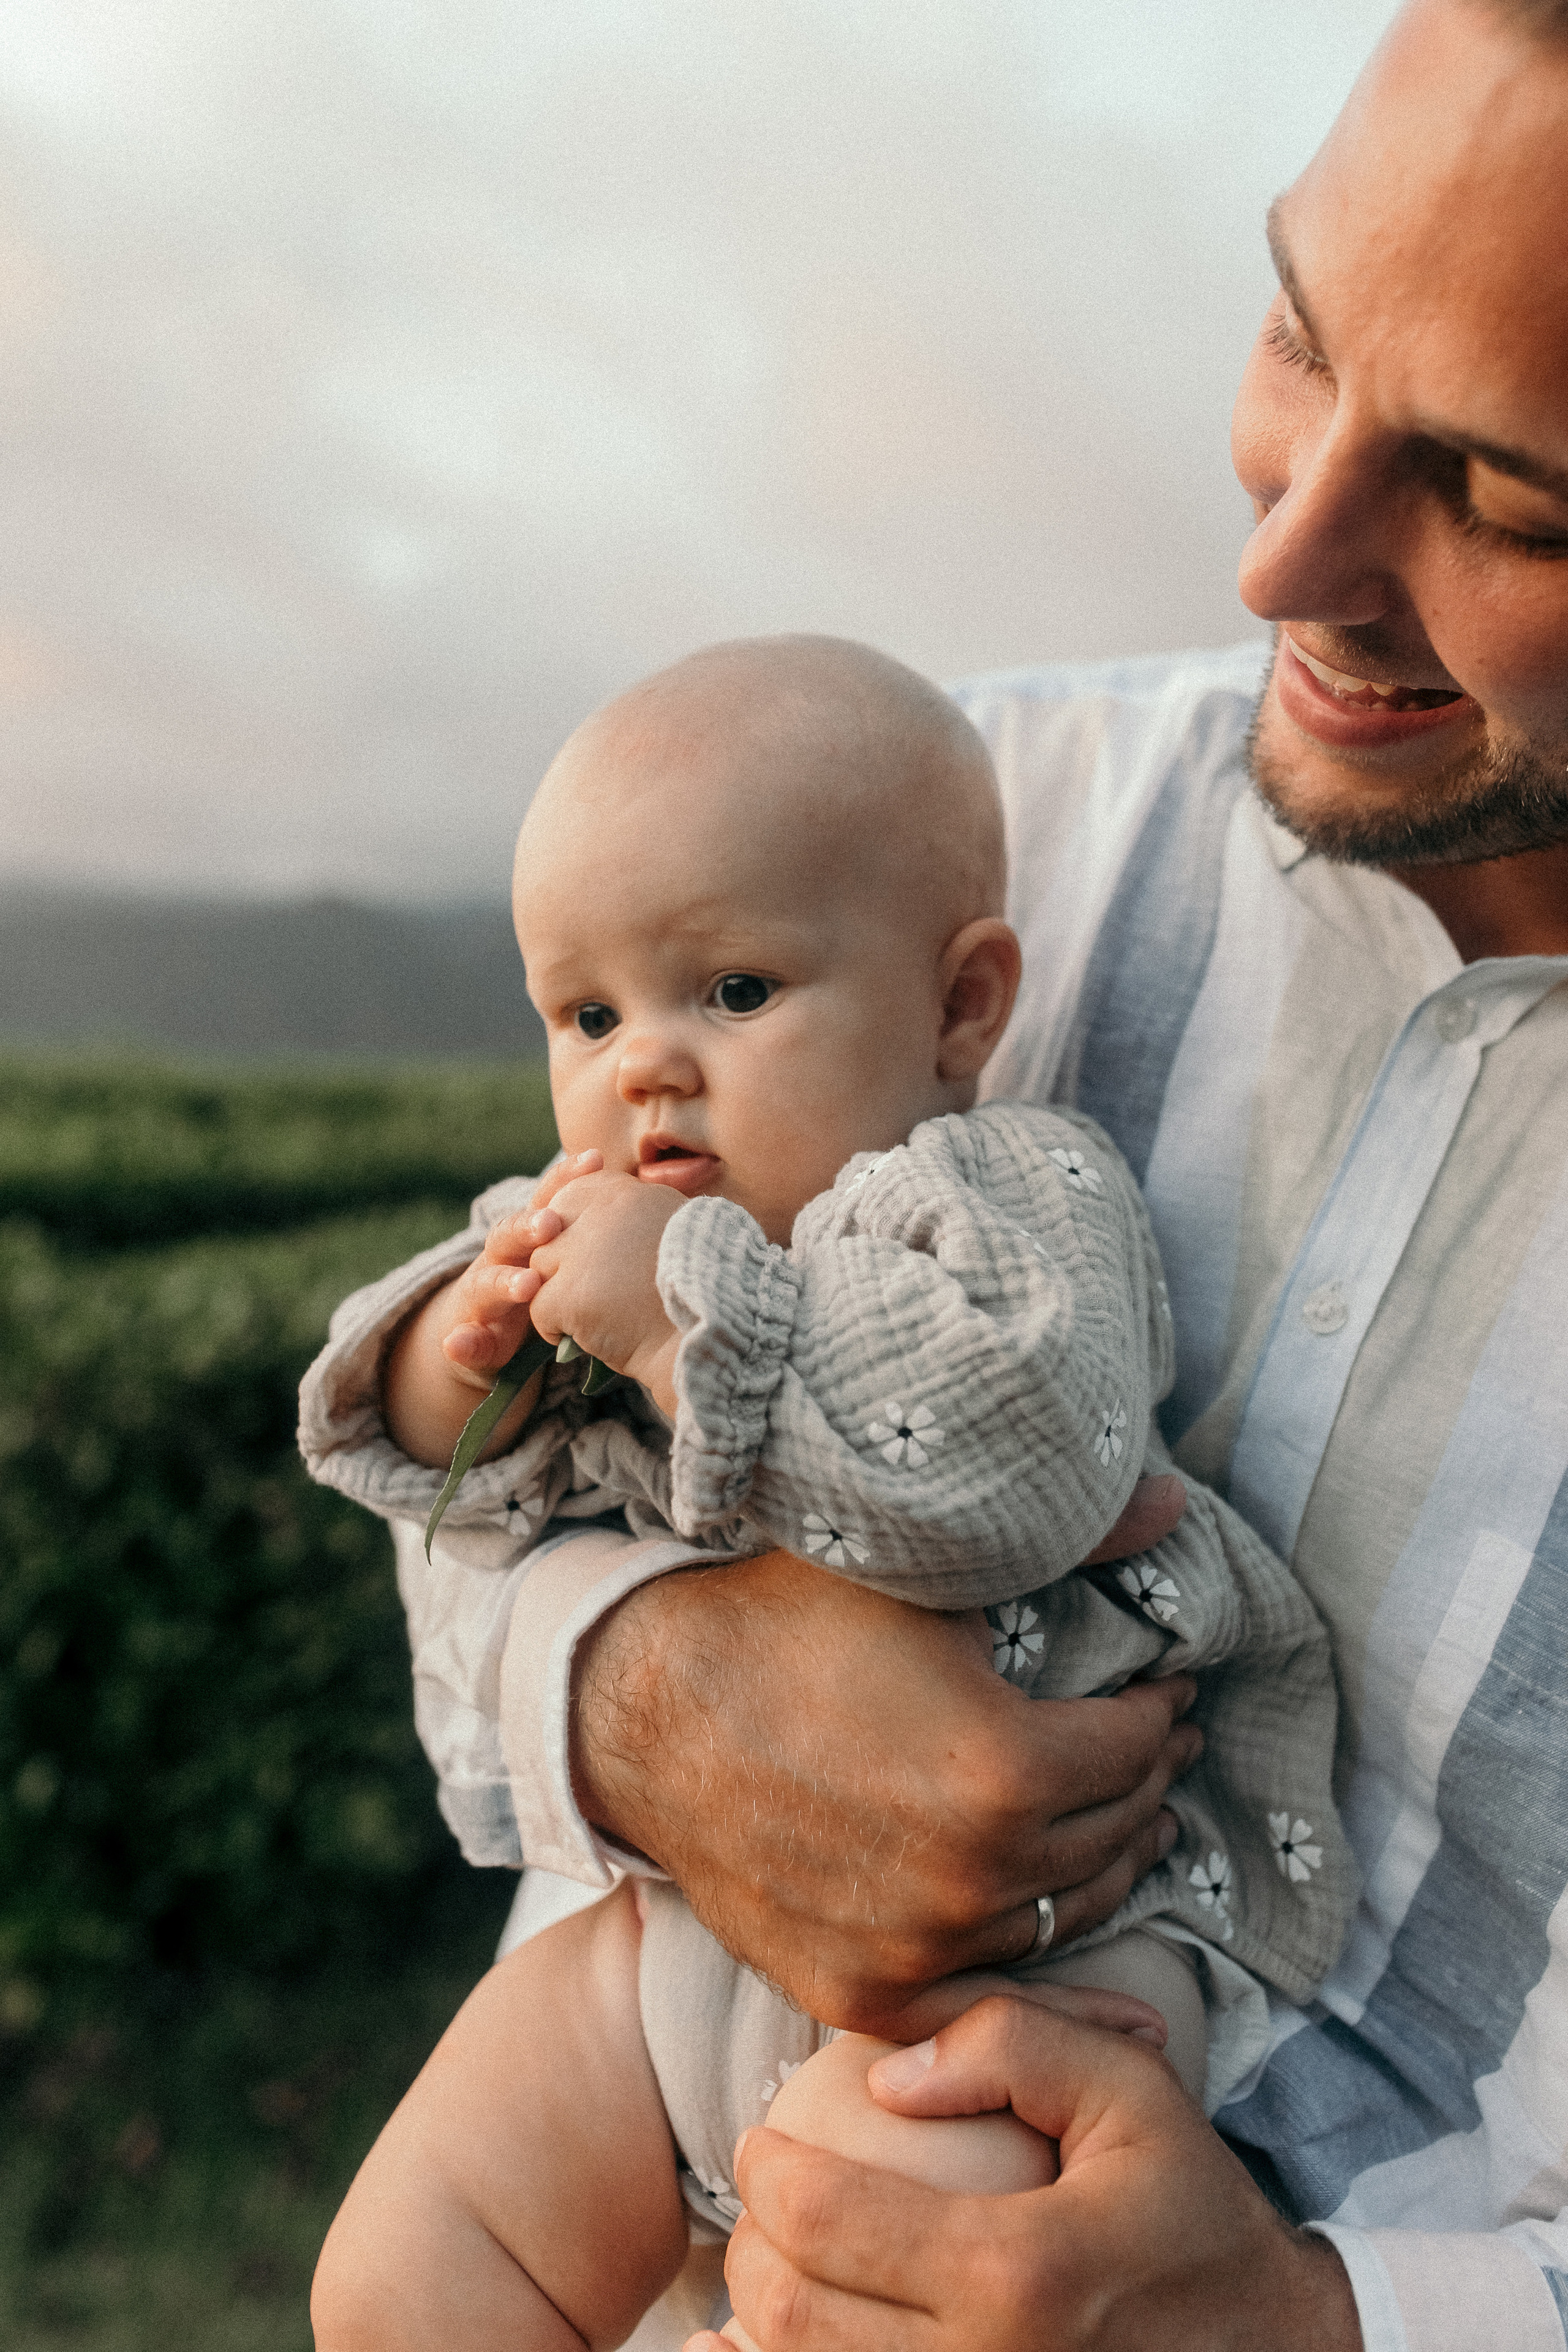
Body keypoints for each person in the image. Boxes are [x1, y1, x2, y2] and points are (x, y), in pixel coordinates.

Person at [669, 2, 1568, 2347]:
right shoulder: (948, 845)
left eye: (1512, 501)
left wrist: (1323, 2325)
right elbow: (478, 1406)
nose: (1282, 558)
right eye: (1300, 333)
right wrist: (647, 1687)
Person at [300, 635, 1354, 2348]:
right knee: (405, 2269)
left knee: (890, 2293)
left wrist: (679, 1323)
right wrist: (458, 1353)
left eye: (731, 993)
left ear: (960, 1007)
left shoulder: (1002, 1199)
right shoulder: (598, 1226)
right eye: (589, 1015)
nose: (646, 1066)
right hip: (665, 1947)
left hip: (1028, 1989)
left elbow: (1013, 1461)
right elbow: (446, 1502)